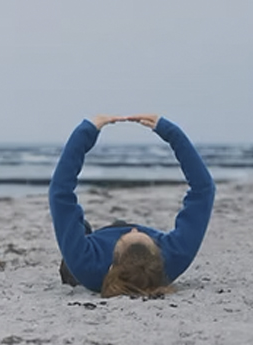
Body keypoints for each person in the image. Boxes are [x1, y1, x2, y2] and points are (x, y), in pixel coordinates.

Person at [49, 114, 215, 298]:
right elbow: (203, 190)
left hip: (87, 256)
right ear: (159, 256)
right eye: (143, 235)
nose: (133, 229)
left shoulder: (88, 266)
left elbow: (60, 194)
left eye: (126, 235)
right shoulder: (173, 257)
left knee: (72, 261)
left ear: (112, 263)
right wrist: (171, 133)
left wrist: (84, 133)